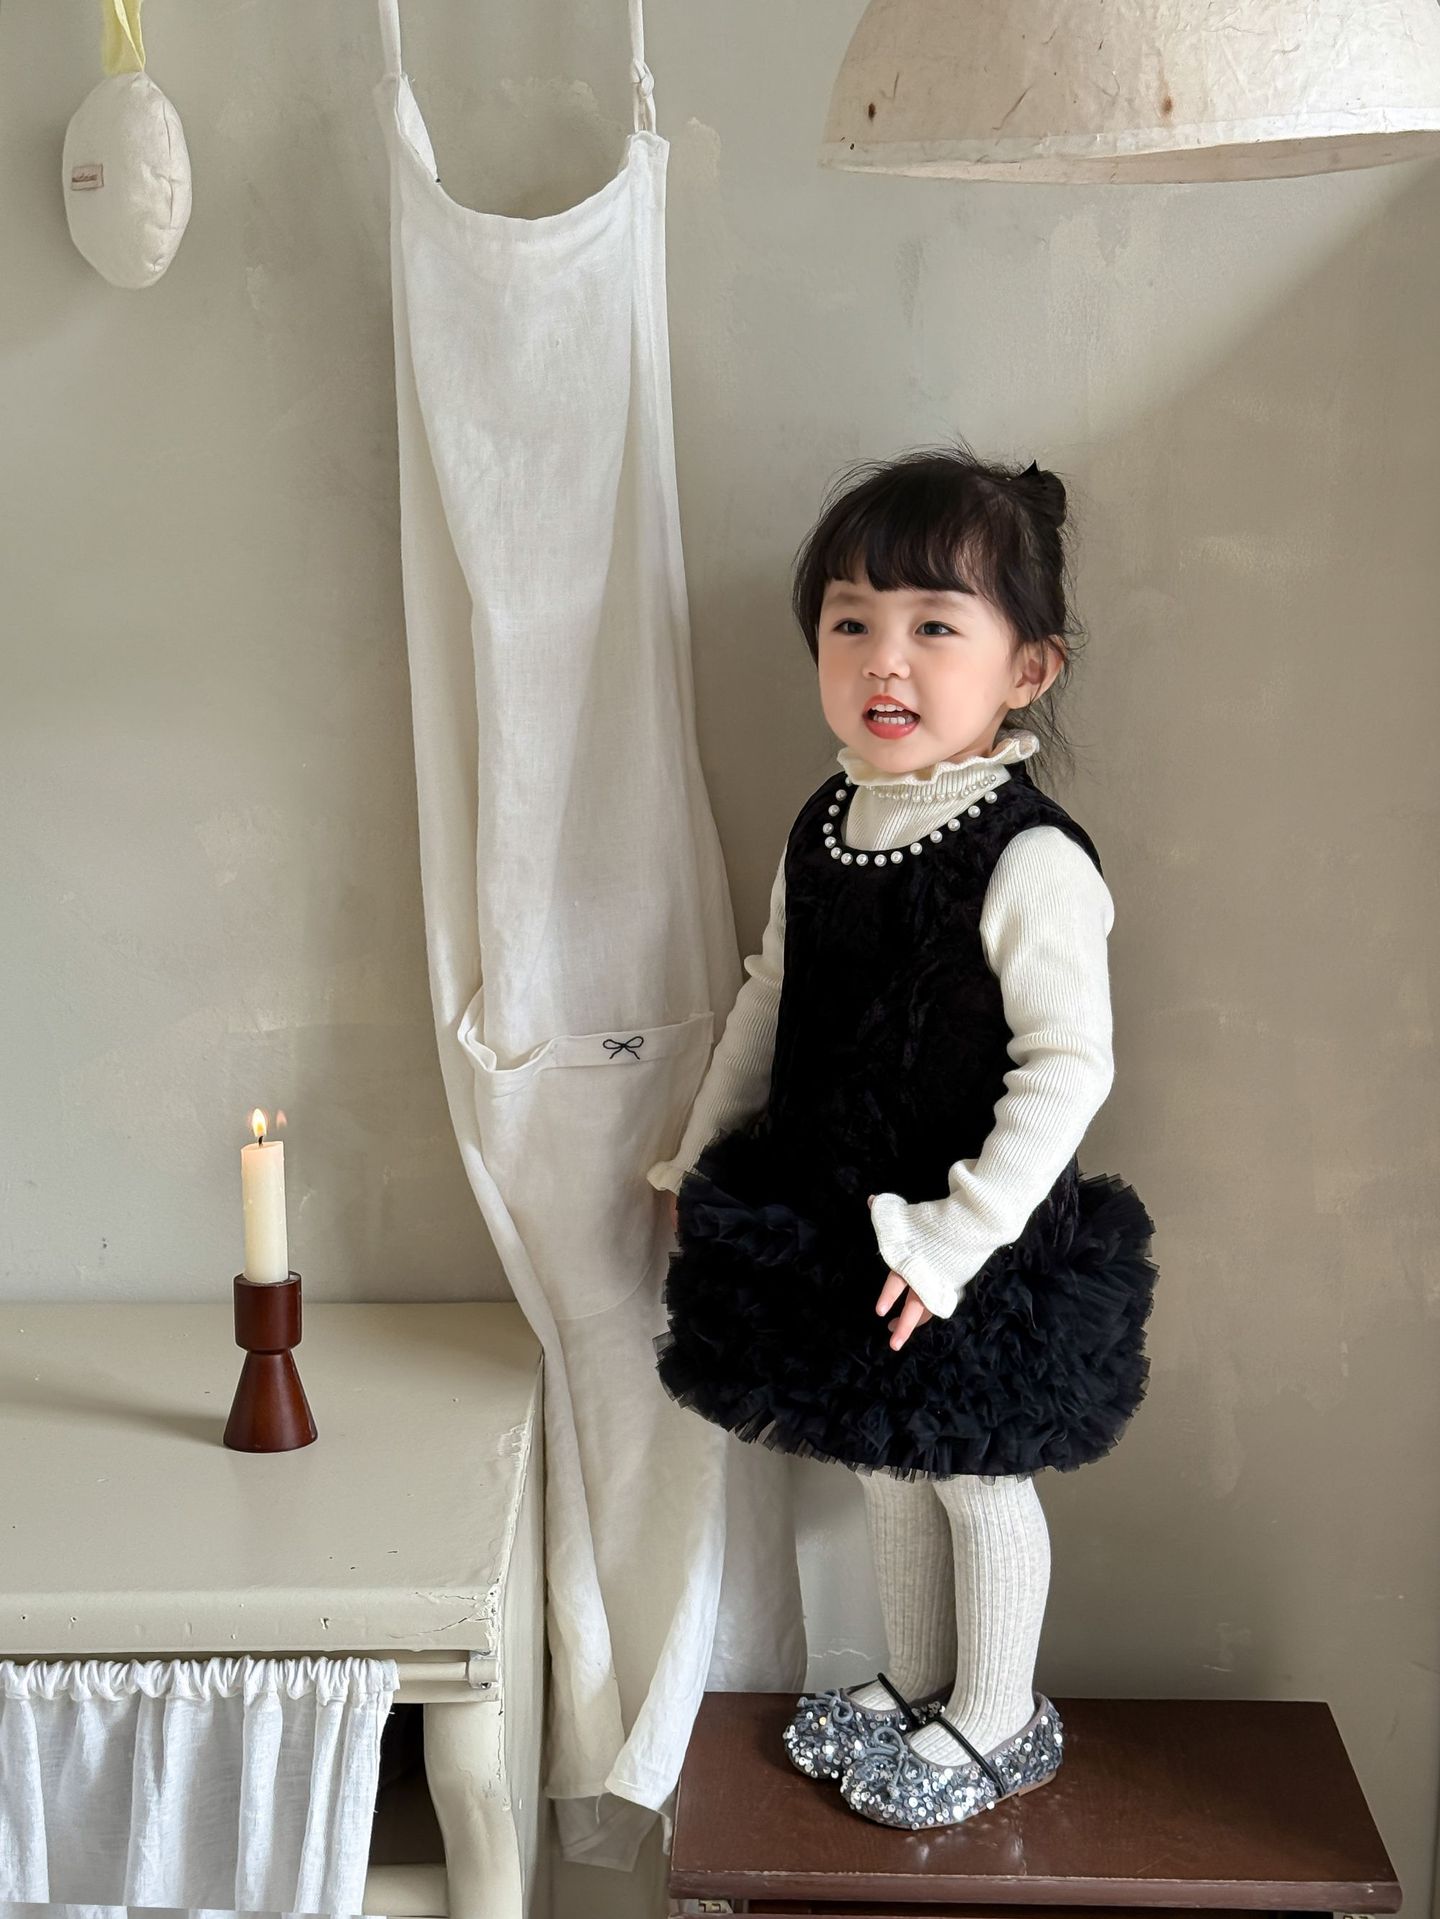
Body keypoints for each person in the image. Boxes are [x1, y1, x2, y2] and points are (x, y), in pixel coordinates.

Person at [645, 439, 1158, 1832]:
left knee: (976, 1476)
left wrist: (955, 1237)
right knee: (885, 1461)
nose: (886, 659)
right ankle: (920, 1678)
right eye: (851, 623)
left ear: (1027, 668)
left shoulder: (1030, 859)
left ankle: (996, 1710)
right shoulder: (827, 823)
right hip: (844, 1218)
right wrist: (701, 1151)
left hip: (971, 1236)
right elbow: (774, 993)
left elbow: (1070, 1067)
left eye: (936, 627)